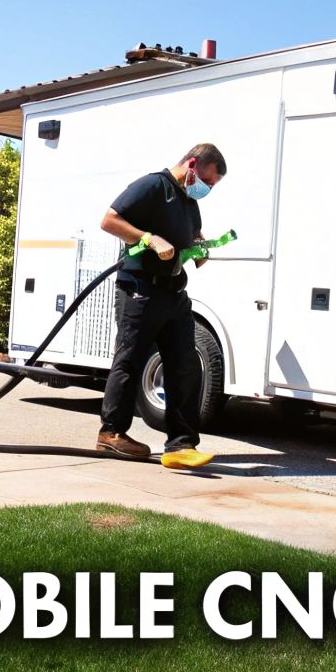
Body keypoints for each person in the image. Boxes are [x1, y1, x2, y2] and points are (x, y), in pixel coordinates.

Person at [96, 143, 226, 469]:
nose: (207, 189)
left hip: (174, 293)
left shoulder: (188, 201)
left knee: (185, 366)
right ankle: (111, 434)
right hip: (139, 289)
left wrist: (199, 248)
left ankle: (181, 445)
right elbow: (110, 220)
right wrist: (147, 238)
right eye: (208, 182)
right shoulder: (154, 186)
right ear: (192, 164)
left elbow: (192, 237)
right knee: (130, 360)